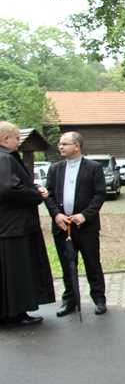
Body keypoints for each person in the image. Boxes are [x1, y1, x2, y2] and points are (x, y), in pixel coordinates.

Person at [45, 132, 108, 316]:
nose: (60, 147)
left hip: (86, 227)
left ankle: (99, 299)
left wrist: (85, 215)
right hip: (62, 226)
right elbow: (48, 194)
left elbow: (100, 194)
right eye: (59, 144)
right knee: (67, 265)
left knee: (92, 264)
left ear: (76, 146)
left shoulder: (94, 168)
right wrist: (56, 215)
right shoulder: (55, 169)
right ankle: (70, 300)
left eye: (64, 144)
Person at [0, 121, 55, 327]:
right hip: (15, 227)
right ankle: (14, 314)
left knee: (10, 273)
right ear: (6, 138)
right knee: (17, 273)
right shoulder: (5, 158)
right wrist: (35, 195)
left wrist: (33, 186)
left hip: (9, 226)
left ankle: (10, 313)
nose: (18, 142)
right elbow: (8, 188)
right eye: (16, 138)